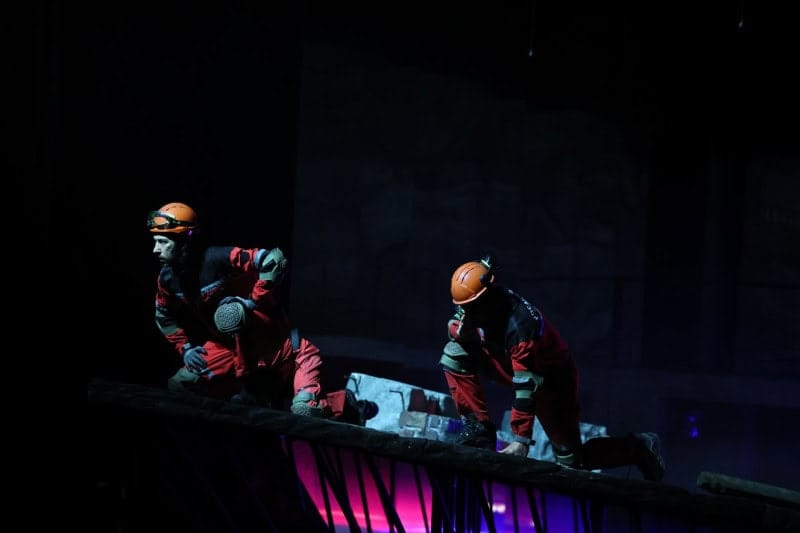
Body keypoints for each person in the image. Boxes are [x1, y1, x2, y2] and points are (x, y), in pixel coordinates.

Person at [440, 255, 666, 481]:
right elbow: (454, 325)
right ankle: (478, 429)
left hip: (553, 382)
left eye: (471, 308)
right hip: (509, 364)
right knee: (454, 352)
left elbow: (526, 385)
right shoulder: (474, 305)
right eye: (464, 308)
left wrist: (521, 440)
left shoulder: (521, 325)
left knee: (572, 460)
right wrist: (461, 332)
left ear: (486, 299)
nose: (467, 313)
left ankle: (638, 447)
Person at [147, 201, 376, 424]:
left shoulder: (218, 258)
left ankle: (345, 406)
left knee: (303, 410)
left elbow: (273, 260)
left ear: (185, 239)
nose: (155, 249)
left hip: (278, 346)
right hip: (230, 349)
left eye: (163, 242)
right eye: (155, 242)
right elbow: (163, 315)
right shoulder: (168, 280)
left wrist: (252, 303)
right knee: (183, 385)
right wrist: (185, 348)